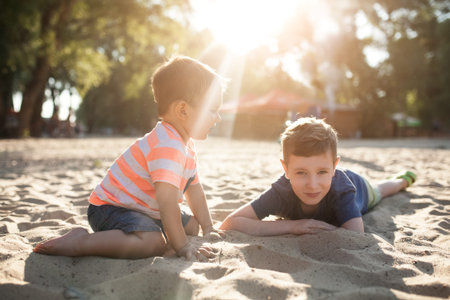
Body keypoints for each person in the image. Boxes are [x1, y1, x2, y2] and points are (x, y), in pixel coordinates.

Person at [34, 56, 226, 260]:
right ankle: (81, 242)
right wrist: (182, 247)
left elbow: (194, 188)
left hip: (143, 209)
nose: (218, 117)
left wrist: (207, 227)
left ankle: (155, 231)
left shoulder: (185, 144)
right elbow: (167, 202)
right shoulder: (166, 146)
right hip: (111, 208)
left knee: (192, 226)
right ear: (182, 110)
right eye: (212, 110)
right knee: (153, 243)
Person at [220, 117, 416, 235]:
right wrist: (294, 226)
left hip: (360, 187)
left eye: (322, 171)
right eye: (301, 172)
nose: (312, 185)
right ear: (285, 169)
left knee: (381, 190)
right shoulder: (281, 191)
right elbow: (230, 223)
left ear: (334, 166)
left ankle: (402, 180)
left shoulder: (342, 191)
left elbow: (355, 233)